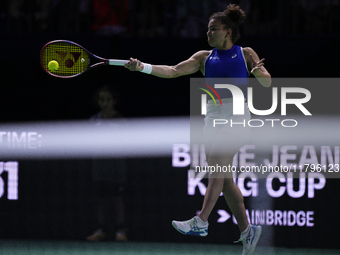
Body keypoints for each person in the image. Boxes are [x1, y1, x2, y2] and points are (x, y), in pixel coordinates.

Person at [124, 4, 271, 255]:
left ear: (228, 32)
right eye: (208, 29)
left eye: (214, 29)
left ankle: (201, 220)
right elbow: (173, 71)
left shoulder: (245, 53)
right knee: (224, 180)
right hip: (212, 120)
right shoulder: (204, 58)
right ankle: (248, 230)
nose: (208, 34)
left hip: (237, 117)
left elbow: (267, 83)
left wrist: (258, 72)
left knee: (215, 164)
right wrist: (143, 67)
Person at [86, 85, 128, 242]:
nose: (105, 103)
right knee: (101, 200)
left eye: (108, 100)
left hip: (117, 168)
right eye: (102, 100)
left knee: (117, 199)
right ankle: (101, 230)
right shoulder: (93, 121)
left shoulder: (121, 121)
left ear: (114, 101)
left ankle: (120, 231)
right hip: (99, 168)